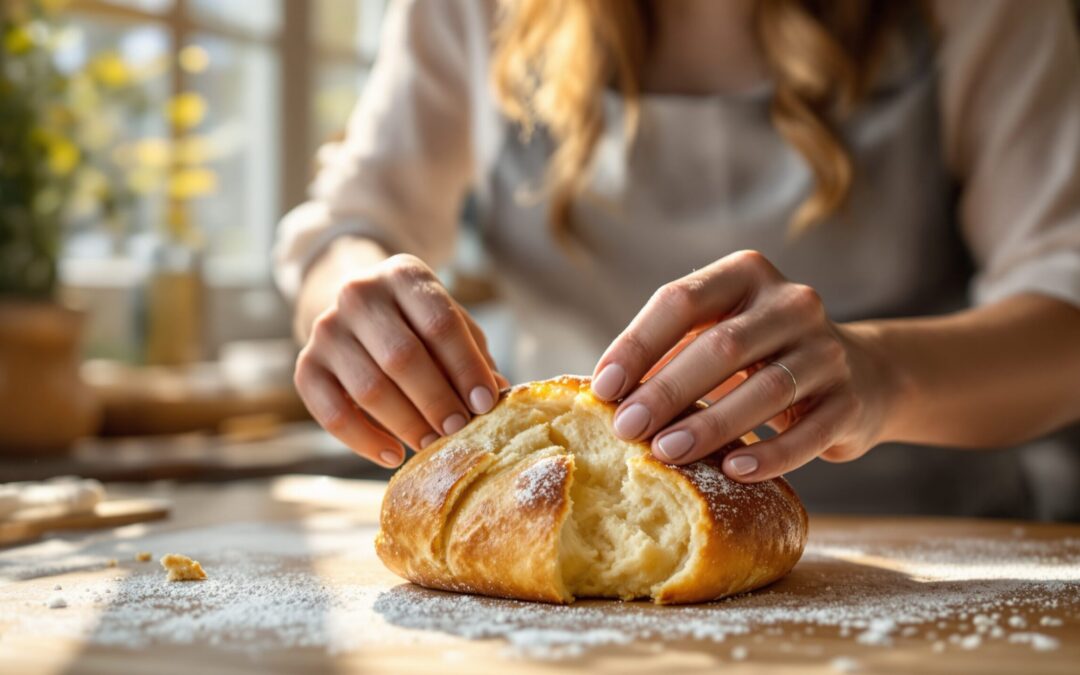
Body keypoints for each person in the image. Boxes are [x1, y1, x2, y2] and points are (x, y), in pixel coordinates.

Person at [275, 0, 1080, 519]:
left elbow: (1065, 309)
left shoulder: (982, 14)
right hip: (562, 541)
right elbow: (352, 225)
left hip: (938, 541)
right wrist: (353, 292)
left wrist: (879, 371)